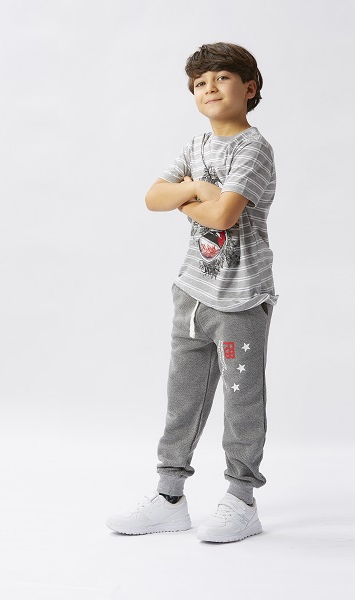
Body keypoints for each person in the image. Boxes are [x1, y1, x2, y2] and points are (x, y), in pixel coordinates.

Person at [106, 42, 277, 543]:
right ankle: (169, 498)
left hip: (241, 299)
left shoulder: (253, 149)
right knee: (182, 399)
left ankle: (241, 500)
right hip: (192, 295)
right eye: (200, 83)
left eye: (221, 78)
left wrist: (190, 195)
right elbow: (153, 197)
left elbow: (223, 216)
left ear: (249, 88)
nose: (209, 88)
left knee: (242, 402)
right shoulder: (196, 146)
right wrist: (198, 191)